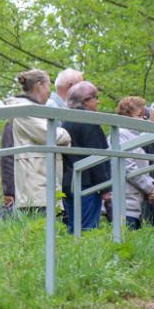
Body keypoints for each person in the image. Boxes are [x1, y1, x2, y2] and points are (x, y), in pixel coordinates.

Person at [0, 69, 71, 217]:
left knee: (49, 235)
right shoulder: (24, 110)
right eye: (48, 86)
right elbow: (49, 135)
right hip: (35, 189)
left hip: (41, 184)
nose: (50, 92)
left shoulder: (32, 111)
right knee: (44, 235)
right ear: (39, 85)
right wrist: (64, 133)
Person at [61, 81, 111, 231]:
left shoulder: (66, 121)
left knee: (73, 228)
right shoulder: (89, 121)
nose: (98, 101)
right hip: (86, 185)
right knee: (87, 230)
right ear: (86, 100)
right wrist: (105, 188)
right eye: (96, 97)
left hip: (68, 183)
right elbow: (97, 157)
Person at [116, 96, 154, 230]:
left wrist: (150, 186)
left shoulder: (134, 137)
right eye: (139, 115)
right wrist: (150, 188)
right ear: (126, 116)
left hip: (135, 202)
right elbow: (129, 167)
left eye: (143, 116)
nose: (143, 120)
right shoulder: (120, 134)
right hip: (126, 203)